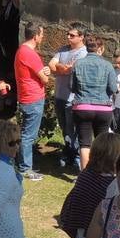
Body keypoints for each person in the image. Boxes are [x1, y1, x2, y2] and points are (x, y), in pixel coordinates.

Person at [71, 34, 119, 170]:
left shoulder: (78, 64)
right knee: (102, 142)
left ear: (86, 48)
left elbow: (72, 87)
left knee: (85, 144)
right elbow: (113, 88)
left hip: (82, 107)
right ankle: (102, 171)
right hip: (103, 108)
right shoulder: (107, 65)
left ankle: (85, 174)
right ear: (101, 49)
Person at [14, 21, 50, 181]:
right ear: (36, 36)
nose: (42, 37)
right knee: (28, 135)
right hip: (33, 98)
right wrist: (46, 73)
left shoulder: (22, 51)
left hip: (26, 96)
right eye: (41, 34)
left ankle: (23, 164)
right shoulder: (30, 54)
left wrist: (45, 71)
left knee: (26, 133)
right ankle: (25, 168)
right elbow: (44, 79)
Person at [50, 23, 88, 169]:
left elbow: (72, 70)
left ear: (81, 37)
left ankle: (77, 157)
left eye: (72, 35)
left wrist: (61, 67)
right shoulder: (62, 50)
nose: (68, 37)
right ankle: (68, 153)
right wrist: (62, 68)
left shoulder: (83, 53)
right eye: (68, 34)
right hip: (60, 95)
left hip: (73, 98)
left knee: (73, 129)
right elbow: (52, 65)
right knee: (64, 128)